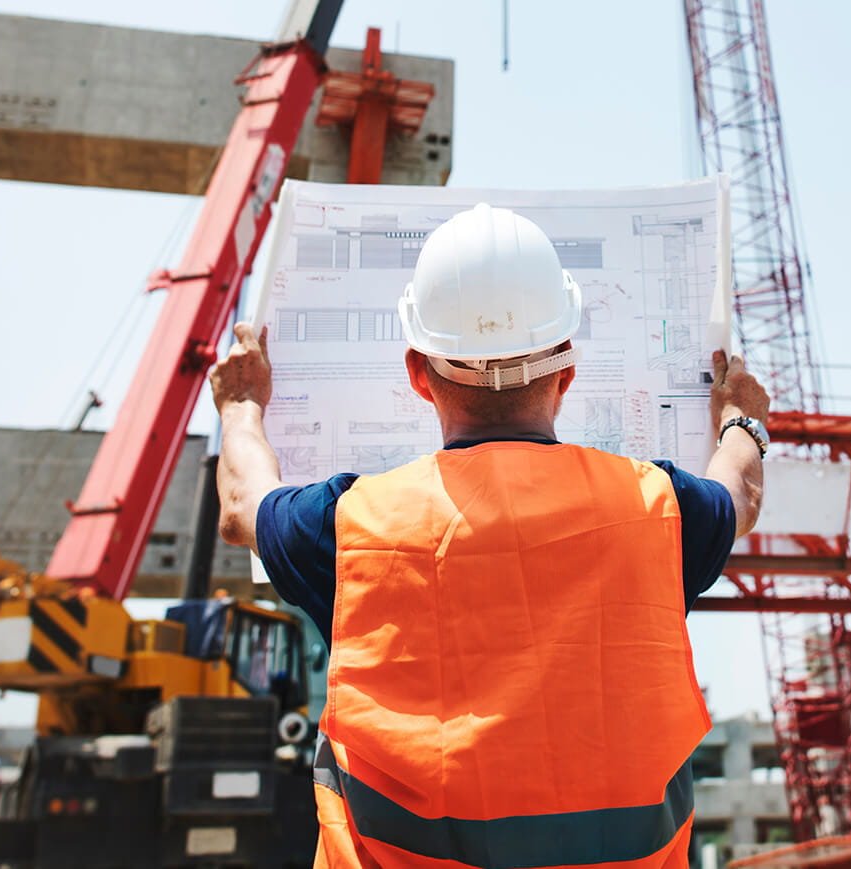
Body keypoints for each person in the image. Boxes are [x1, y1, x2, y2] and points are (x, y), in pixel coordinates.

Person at [210, 203, 770, 868]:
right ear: (565, 373)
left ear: (420, 375)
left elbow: (241, 503)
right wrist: (742, 420)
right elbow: (741, 494)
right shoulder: (659, 508)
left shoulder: (350, 525)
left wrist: (241, 405)